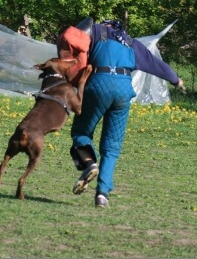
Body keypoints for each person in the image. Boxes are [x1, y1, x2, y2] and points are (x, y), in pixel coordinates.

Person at [57, 17, 184, 208]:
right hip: (124, 90)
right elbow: (155, 64)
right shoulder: (132, 43)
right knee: (112, 145)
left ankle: (90, 163)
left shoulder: (97, 32)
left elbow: (72, 39)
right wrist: (176, 80)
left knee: (81, 132)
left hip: (98, 84)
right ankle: (102, 195)